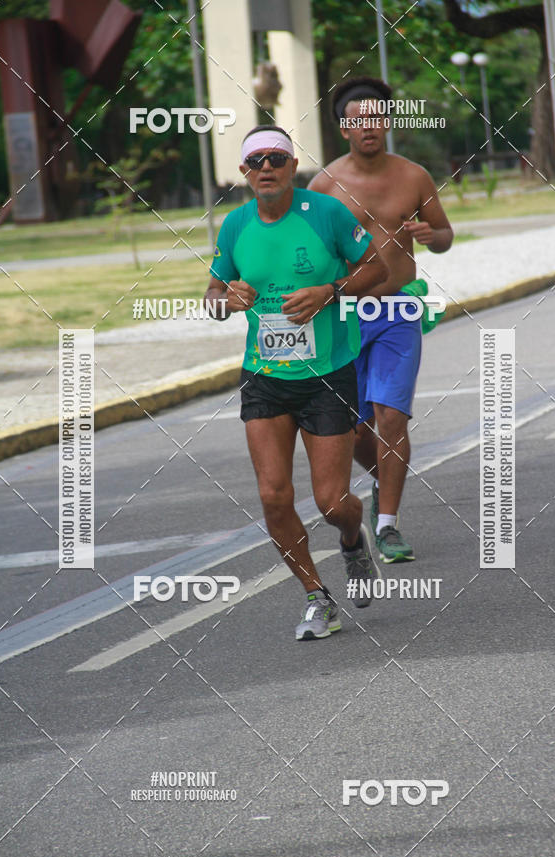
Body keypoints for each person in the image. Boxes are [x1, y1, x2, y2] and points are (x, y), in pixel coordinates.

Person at [204, 124, 388, 640]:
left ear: (292, 167)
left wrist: (329, 291)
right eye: (256, 160)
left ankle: (353, 541)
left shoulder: (325, 213)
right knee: (273, 497)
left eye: (276, 159)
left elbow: (375, 266)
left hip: (327, 373)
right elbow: (213, 294)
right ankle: (316, 597)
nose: (266, 167)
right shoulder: (235, 226)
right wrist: (226, 303)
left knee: (332, 502)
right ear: (244, 172)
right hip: (264, 377)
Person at [309, 76, 453, 563]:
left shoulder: (413, 176)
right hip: (345, 316)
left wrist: (431, 235)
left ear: (387, 122)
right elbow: (306, 252)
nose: (368, 126)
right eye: (358, 120)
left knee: (392, 416)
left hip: (397, 311)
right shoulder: (324, 185)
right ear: (344, 129)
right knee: (354, 430)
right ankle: (380, 485)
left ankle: (388, 524)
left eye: (376, 117)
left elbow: (446, 234)